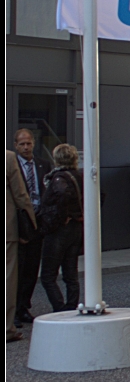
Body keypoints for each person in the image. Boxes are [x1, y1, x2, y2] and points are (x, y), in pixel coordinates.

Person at [38, 144, 84, 313]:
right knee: (70, 272)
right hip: (76, 228)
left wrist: (60, 217)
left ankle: (60, 308)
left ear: (56, 159)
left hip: (60, 230)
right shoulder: (80, 176)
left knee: (48, 275)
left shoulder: (58, 178)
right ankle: (71, 306)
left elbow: (61, 194)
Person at [13, 129, 51, 327]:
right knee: (16, 270)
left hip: (38, 221)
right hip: (19, 222)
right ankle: (14, 310)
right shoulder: (11, 166)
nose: (26, 147)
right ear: (15, 146)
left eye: (28, 143)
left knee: (31, 268)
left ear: (34, 143)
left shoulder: (43, 164)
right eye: (22, 144)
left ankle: (24, 307)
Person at [6, 150, 36, 342]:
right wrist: (31, 225)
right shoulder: (8, 158)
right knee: (8, 277)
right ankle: (7, 328)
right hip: (7, 228)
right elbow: (20, 194)